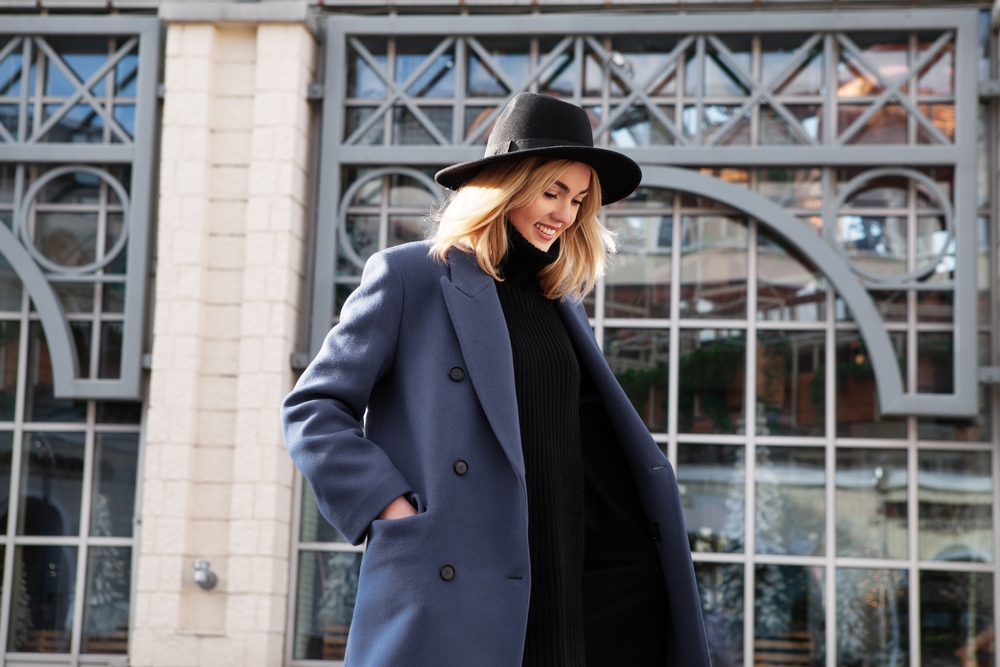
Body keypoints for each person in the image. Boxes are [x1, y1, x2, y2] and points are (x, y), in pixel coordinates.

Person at [282, 92, 711, 667]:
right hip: (456, 574)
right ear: (506, 184)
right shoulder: (411, 276)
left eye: (580, 199)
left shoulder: (561, 301)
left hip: (565, 567)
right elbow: (313, 409)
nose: (565, 213)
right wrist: (389, 507)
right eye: (552, 191)